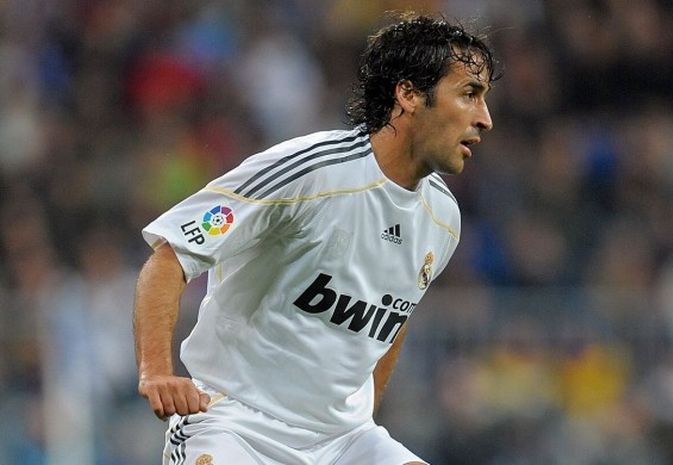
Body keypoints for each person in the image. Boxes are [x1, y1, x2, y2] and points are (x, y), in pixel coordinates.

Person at [133, 12, 496, 465]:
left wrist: (363, 421)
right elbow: (171, 256)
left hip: (344, 441)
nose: (485, 119)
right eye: (469, 94)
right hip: (234, 423)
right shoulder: (308, 170)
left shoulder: (443, 218)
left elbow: (394, 320)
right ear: (408, 94)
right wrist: (156, 373)